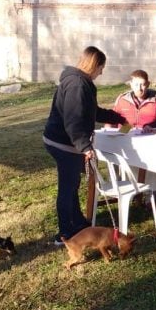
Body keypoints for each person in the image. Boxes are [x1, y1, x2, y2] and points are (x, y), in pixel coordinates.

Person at [43, 46, 126, 244]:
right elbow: (73, 120)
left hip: (66, 142)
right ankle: (64, 234)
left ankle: (78, 222)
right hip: (63, 143)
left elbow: (90, 111)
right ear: (94, 65)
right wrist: (84, 146)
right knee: (68, 187)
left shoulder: (81, 83)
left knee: (72, 184)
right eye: (101, 68)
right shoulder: (77, 84)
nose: (101, 72)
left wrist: (117, 117)